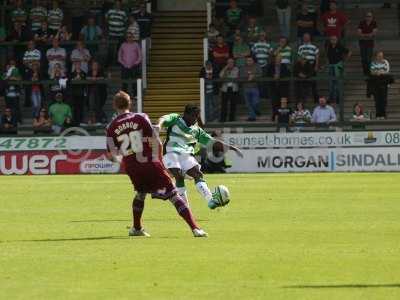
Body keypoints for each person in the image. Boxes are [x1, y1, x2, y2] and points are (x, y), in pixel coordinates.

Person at [106, 92, 208, 237]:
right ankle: (195, 228)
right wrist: (160, 163)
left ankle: (136, 228)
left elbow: (111, 155)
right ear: (130, 104)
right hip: (149, 161)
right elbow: (157, 141)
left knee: (140, 193)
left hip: (132, 165)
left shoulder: (111, 126)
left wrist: (122, 158)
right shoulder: (140, 118)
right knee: (173, 195)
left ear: (114, 105)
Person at [157, 105, 242, 209]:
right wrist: (158, 126)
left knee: (198, 174)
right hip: (170, 153)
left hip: (186, 156)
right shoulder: (176, 119)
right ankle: (184, 207)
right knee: (178, 175)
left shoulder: (196, 130)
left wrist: (232, 148)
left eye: (197, 116)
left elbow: (213, 142)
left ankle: (210, 201)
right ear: (186, 114)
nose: (196, 118)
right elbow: (163, 119)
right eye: (194, 116)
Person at [326, 35, 351, 104]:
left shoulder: (340, 46)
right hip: (331, 66)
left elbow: (349, 52)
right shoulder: (329, 47)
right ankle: (331, 98)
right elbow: (328, 57)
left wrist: (345, 60)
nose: (333, 40)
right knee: (331, 84)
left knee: (338, 84)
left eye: (334, 39)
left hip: (338, 66)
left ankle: (338, 99)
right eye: (332, 39)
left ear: (337, 40)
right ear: (330, 40)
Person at [369, 51, 392, 119]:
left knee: (384, 100)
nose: (380, 57)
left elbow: (387, 71)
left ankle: (383, 114)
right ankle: (378, 115)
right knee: (377, 100)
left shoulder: (385, 62)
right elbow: (372, 71)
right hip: (376, 84)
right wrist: (377, 73)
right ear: (376, 56)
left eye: (381, 56)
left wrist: (380, 72)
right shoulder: (373, 63)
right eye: (379, 56)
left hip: (384, 84)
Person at [240, 56, 262, 121]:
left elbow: (260, 74)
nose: (249, 62)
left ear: (253, 61)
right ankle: (252, 117)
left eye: (250, 60)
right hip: (246, 88)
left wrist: (254, 76)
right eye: (248, 60)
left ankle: (256, 110)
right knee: (248, 104)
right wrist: (247, 77)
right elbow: (240, 76)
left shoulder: (257, 66)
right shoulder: (243, 68)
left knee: (255, 102)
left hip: (254, 87)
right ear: (246, 61)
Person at [219, 57, 239, 122]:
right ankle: (223, 119)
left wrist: (227, 76)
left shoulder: (236, 69)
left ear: (234, 63)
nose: (230, 63)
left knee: (233, 104)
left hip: (233, 89)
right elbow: (221, 76)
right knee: (224, 105)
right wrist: (225, 69)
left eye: (231, 62)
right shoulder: (225, 69)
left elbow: (234, 76)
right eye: (229, 62)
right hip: (225, 89)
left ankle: (231, 119)